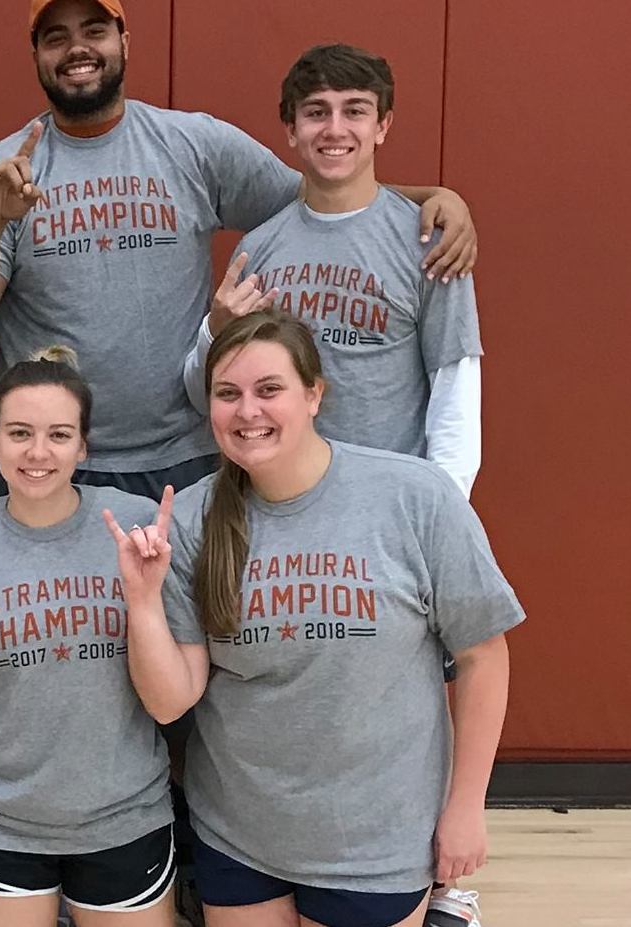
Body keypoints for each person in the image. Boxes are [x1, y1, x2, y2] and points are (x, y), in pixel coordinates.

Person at [0, 0, 479, 501]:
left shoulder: (193, 145)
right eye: (56, 37)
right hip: (46, 457)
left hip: (185, 459)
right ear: (36, 55)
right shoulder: (3, 174)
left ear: (125, 40)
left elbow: (320, 192)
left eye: (95, 30)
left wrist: (434, 198)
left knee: (177, 611)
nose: (77, 48)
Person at [107, 312, 521, 927]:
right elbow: (172, 703)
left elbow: (485, 657)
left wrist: (465, 809)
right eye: (228, 394)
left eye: (269, 389)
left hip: (376, 840)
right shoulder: (190, 519)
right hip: (239, 834)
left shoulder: (414, 497)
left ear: (314, 394)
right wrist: (142, 602)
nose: (248, 411)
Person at [0, 347, 176, 926]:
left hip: (122, 814)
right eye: (19, 433)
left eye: (59, 434)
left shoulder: (134, 528)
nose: (38, 452)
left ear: (83, 446)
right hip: (0, 818)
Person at [187, 43, 482, 499]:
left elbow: (455, 387)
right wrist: (215, 330)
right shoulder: (258, 250)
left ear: (382, 125)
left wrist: (444, 505)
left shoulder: (430, 241)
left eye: (355, 111)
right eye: (317, 112)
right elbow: (208, 394)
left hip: (387, 500)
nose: (335, 129)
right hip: (277, 502)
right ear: (291, 129)